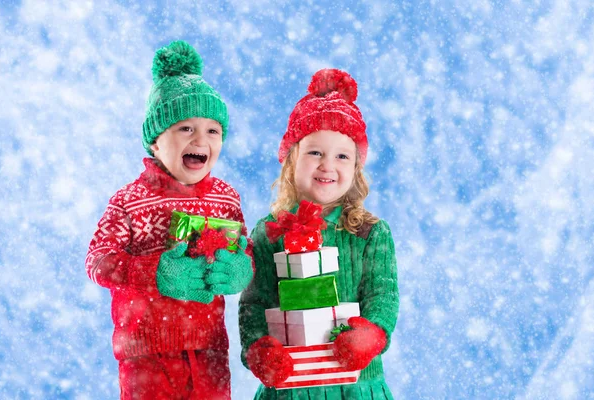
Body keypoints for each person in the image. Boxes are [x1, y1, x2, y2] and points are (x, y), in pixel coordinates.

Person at [86, 40, 253, 400]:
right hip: (147, 355)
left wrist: (241, 268)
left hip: (209, 352)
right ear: (155, 142)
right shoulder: (130, 200)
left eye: (213, 130)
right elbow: (98, 260)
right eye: (185, 128)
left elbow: (246, 249)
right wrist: (153, 273)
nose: (201, 139)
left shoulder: (226, 199)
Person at [238, 68, 400, 399]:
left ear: (355, 169)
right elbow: (254, 302)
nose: (328, 165)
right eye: (315, 152)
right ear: (291, 161)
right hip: (290, 389)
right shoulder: (268, 233)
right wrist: (258, 349)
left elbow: (382, 296)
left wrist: (370, 335)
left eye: (342, 155)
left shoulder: (372, 233)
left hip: (355, 386)